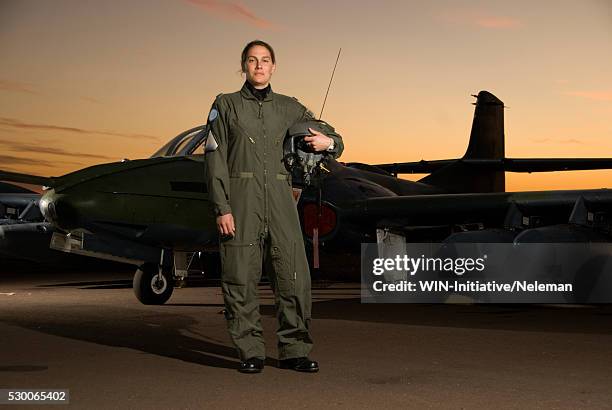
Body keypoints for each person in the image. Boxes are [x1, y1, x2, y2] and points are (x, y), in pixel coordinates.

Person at [204, 40, 343, 373]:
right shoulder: (226, 105)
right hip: (240, 198)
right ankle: (250, 350)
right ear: (244, 66)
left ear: (274, 67)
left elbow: (329, 136)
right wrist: (222, 206)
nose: (259, 65)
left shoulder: (289, 107)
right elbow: (214, 158)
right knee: (240, 277)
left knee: (293, 277)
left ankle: (294, 349)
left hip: (282, 201)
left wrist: (330, 143)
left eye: (265, 60)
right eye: (252, 60)